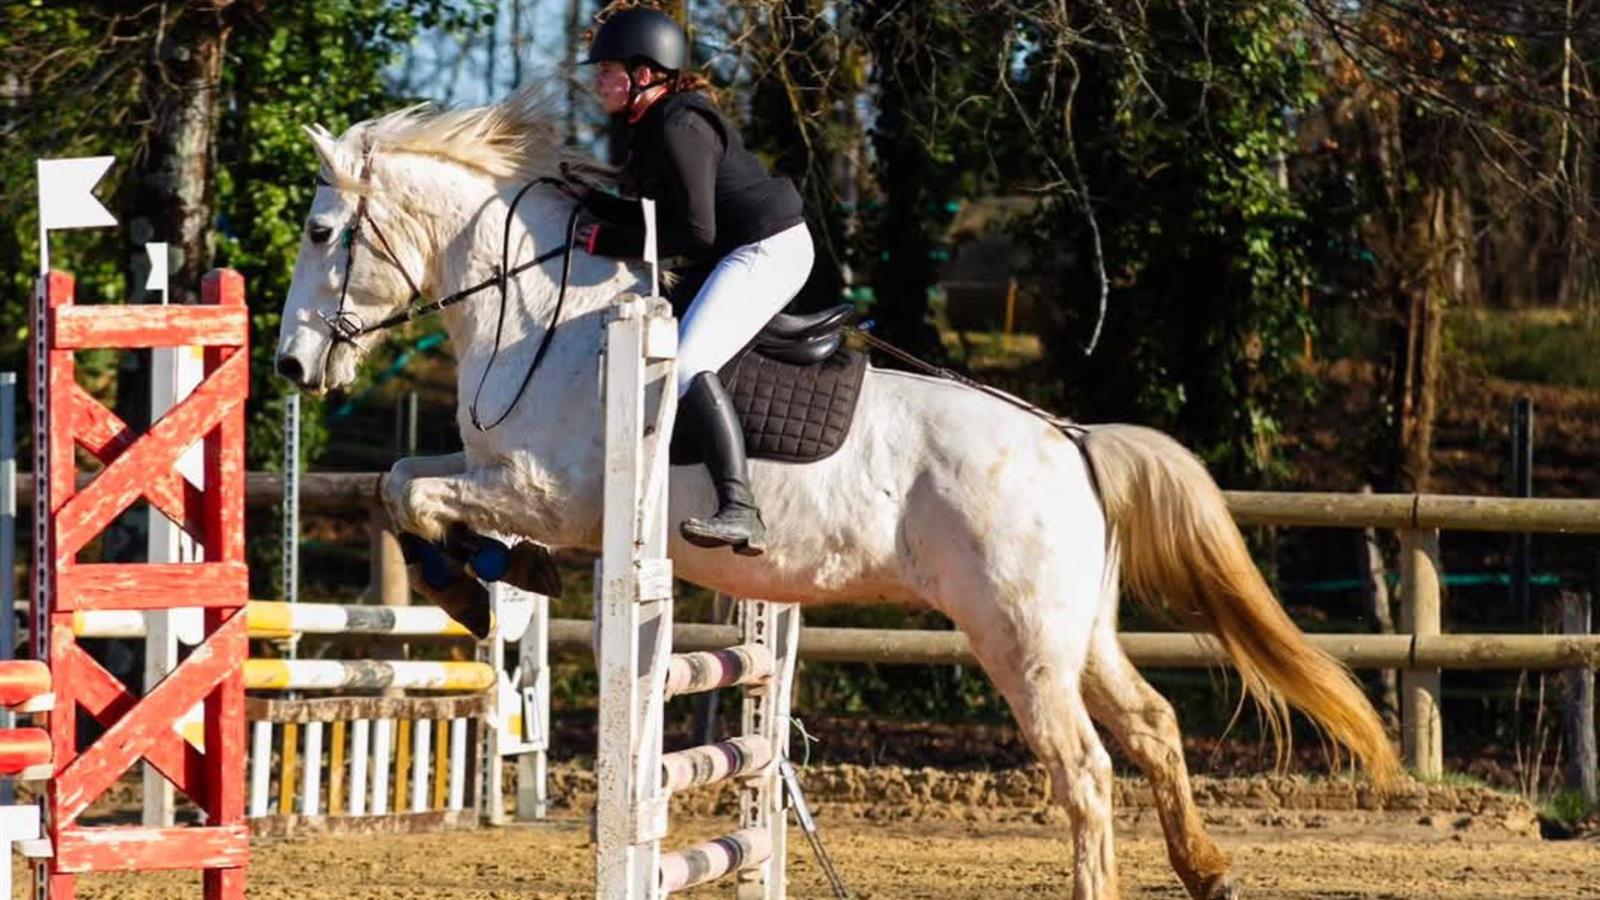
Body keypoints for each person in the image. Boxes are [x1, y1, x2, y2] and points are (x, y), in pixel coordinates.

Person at [574, 6, 814, 557]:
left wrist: (606, 240)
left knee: (685, 363)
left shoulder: (680, 125)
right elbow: (661, 219)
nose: (598, 80)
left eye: (607, 69)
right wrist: (588, 201)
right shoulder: (653, 126)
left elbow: (695, 232)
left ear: (644, 74)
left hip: (765, 248)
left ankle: (741, 507)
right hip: (737, 247)